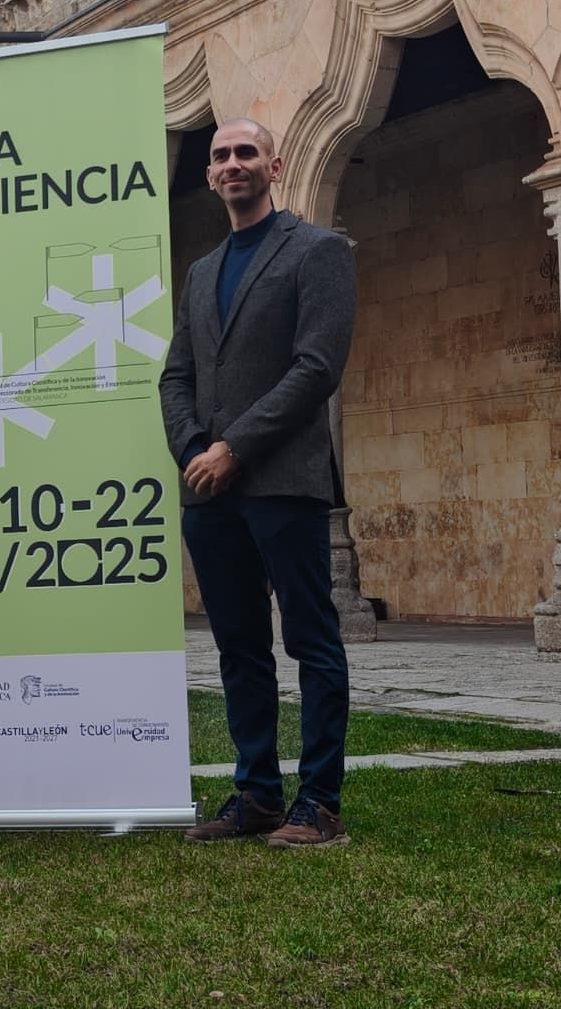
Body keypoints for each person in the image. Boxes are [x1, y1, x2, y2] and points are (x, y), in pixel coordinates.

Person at [159, 118, 357, 848]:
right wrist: (195, 450)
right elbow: (176, 376)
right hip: (209, 492)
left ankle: (321, 802)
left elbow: (317, 367)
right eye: (220, 156)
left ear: (274, 167)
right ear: (209, 175)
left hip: (283, 481)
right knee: (239, 647)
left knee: (310, 639)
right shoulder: (201, 272)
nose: (232, 163)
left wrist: (233, 448)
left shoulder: (317, 251)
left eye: (246, 152)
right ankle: (258, 795)